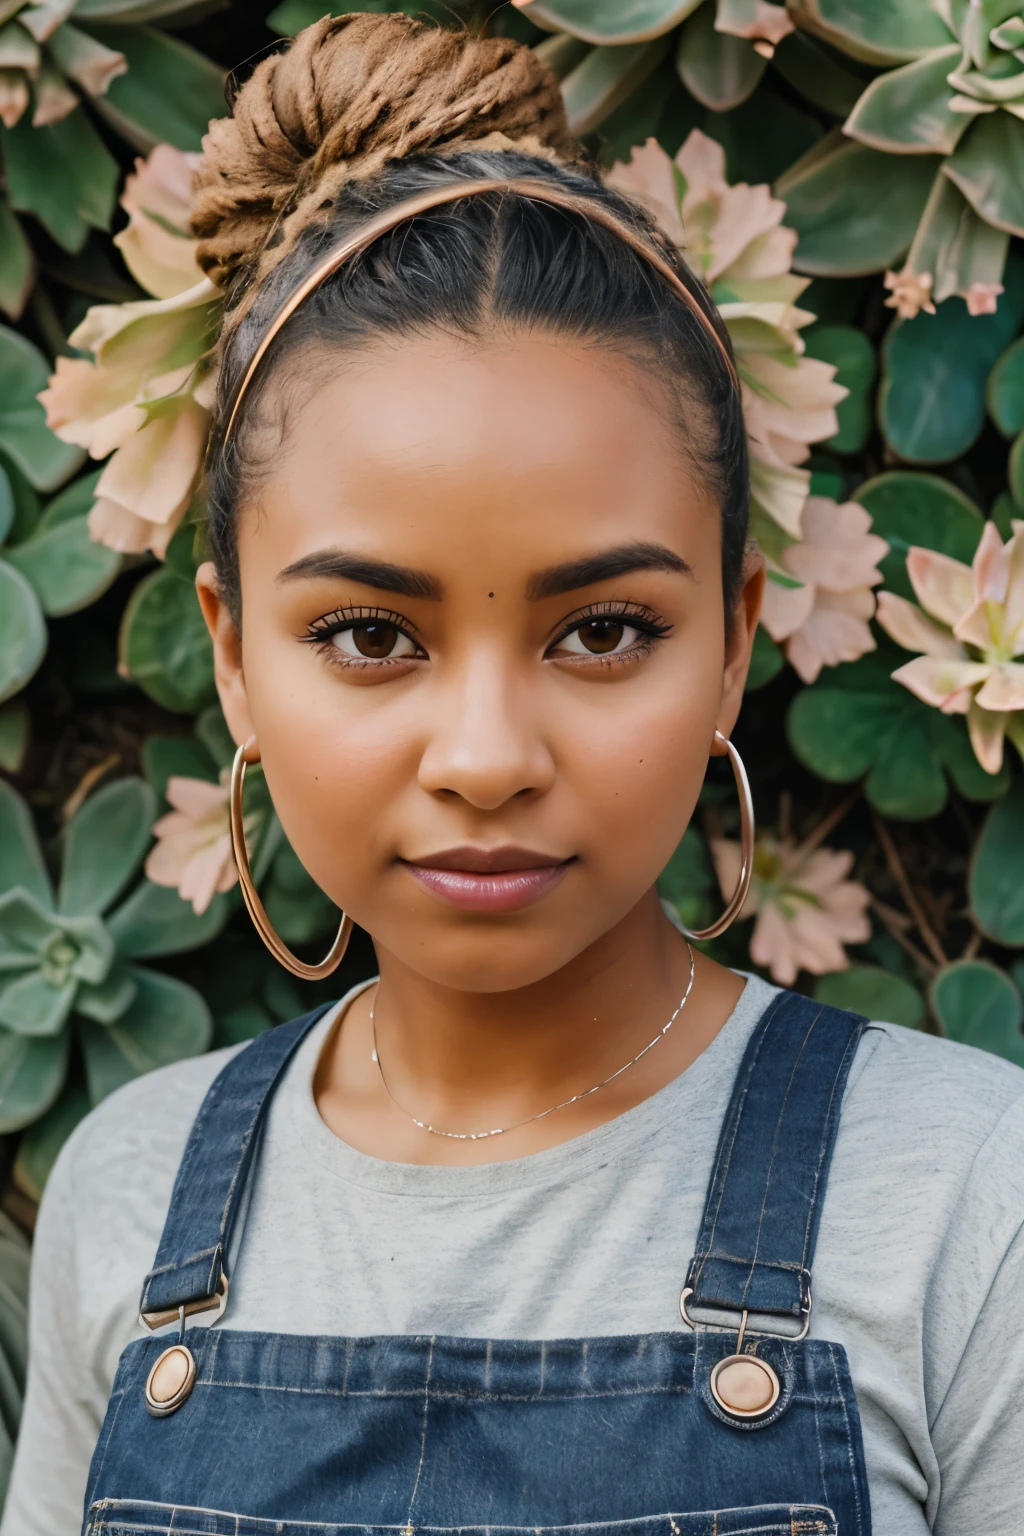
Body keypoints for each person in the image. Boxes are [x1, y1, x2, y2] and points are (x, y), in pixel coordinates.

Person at [4, 14, 1024, 1536]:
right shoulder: (128, 1191)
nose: (486, 758)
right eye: (367, 634)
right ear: (231, 657)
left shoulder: (972, 1198)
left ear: (736, 639)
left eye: (605, 629)